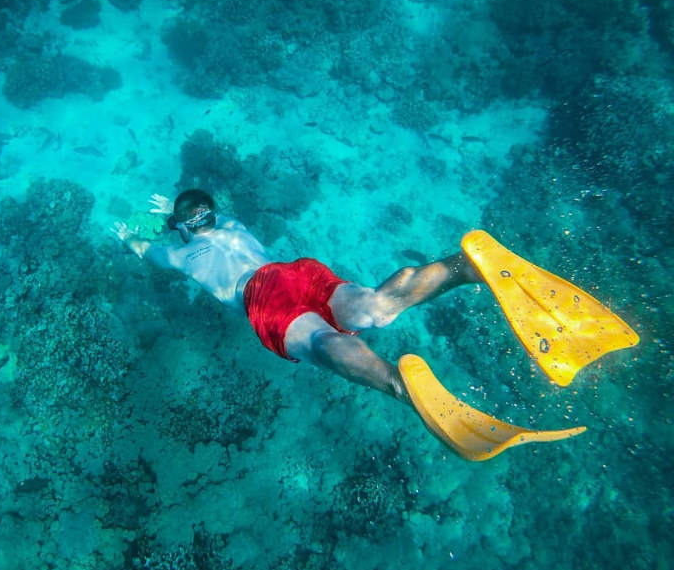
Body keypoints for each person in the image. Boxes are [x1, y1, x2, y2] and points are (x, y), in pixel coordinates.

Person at [112, 189, 638, 461]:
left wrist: (136, 237)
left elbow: (147, 250)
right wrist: (178, 213)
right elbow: (201, 214)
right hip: (296, 269)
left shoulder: (184, 256)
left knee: (321, 343)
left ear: (183, 228)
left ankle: (398, 384)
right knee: (374, 306)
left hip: (260, 297)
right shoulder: (230, 225)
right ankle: (463, 267)